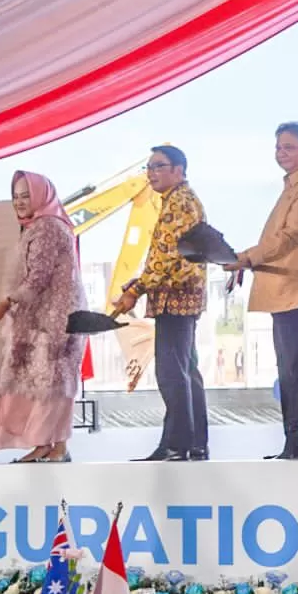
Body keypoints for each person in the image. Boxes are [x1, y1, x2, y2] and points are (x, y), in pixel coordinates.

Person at [229, 123, 298, 459]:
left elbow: (290, 237)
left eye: (289, 147)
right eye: (278, 147)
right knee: (289, 372)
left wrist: (247, 258)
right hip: (289, 291)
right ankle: (294, 444)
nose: (281, 153)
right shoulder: (296, 185)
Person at [112, 145, 210, 461]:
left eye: (159, 166)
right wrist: (137, 284)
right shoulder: (178, 201)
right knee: (185, 369)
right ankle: (194, 443)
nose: (152, 173)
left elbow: (167, 260)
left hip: (176, 297)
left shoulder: (179, 203)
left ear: (179, 170)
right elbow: (162, 258)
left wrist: (135, 290)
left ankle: (176, 444)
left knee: (172, 372)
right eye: (149, 167)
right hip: (179, 295)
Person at [0, 171, 87, 462]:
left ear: (42, 196)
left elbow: (38, 278)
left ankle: (52, 445)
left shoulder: (47, 227)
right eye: (15, 197)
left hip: (56, 321)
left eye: (26, 196)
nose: (19, 202)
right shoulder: (37, 227)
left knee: (51, 383)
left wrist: (6, 303)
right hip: (46, 319)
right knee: (48, 384)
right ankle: (50, 445)